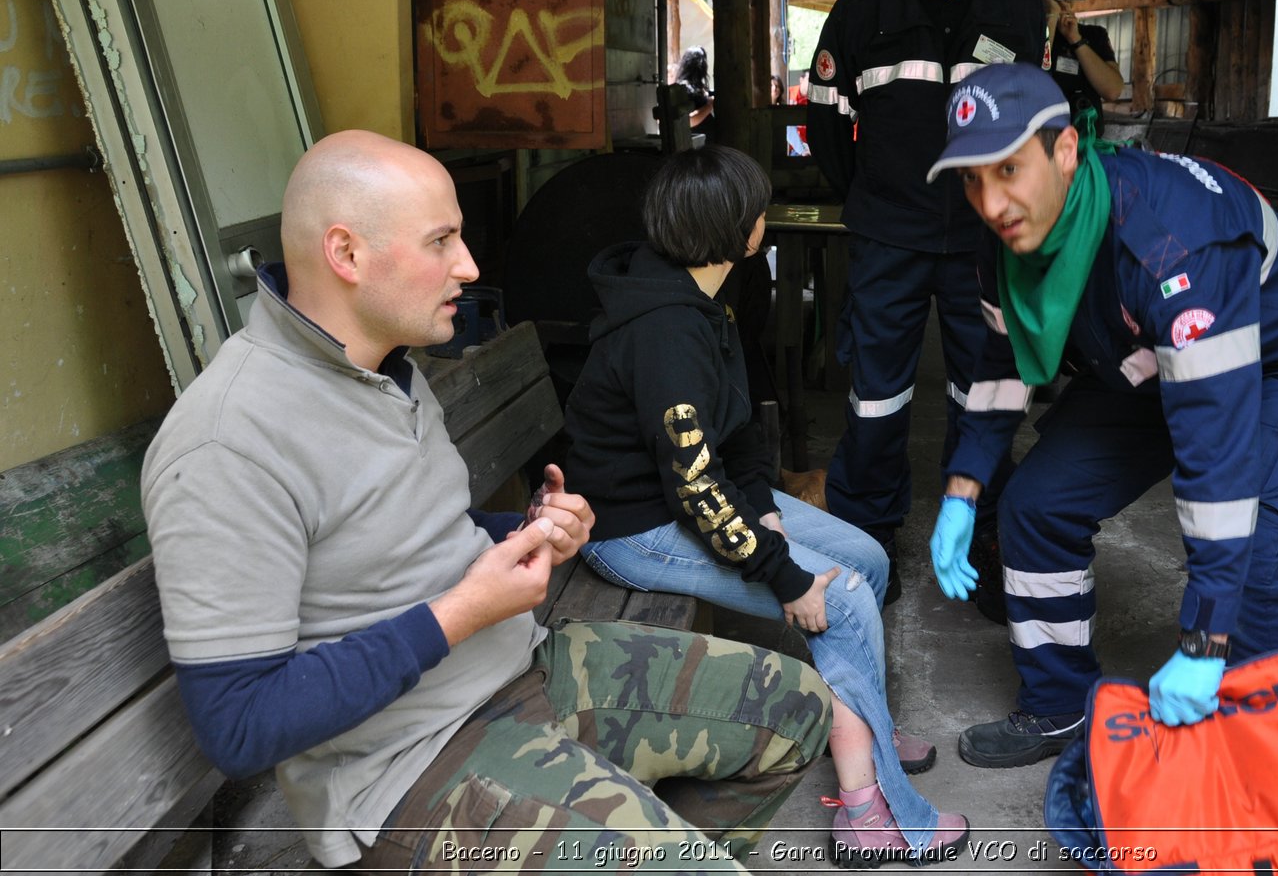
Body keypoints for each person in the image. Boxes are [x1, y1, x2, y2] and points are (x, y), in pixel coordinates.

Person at [141, 131, 831, 871]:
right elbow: (238, 724)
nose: (469, 267)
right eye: (441, 241)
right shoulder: (230, 442)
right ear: (346, 254)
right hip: (406, 770)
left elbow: (413, 537)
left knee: (796, 707)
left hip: (519, 668)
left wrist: (529, 528)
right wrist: (463, 609)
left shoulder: (385, 368)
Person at [924, 63, 1278, 768]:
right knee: (1033, 508)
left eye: (1009, 169)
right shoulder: (1003, 241)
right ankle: (1061, 704)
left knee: (1241, 554)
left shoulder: (1173, 247)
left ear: (1065, 151)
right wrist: (964, 488)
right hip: (1144, 356)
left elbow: (1215, 459)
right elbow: (1002, 363)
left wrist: (1204, 644)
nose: (992, 201)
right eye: (973, 179)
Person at [565, 145, 969, 867]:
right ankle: (866, 811)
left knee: (867, 557)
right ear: (740, 229)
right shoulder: (665, 331)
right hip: (634, 525)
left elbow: (737, 431)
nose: (766, 216)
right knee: (838, 600)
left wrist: (769, 514)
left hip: (692, 497)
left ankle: (865, 718)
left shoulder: (702, 296)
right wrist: (783, 573)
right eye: (759, 207)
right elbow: (693, 485)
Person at [805, 0, 1046, 602]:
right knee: (878, 395)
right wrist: (879, 198)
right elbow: (824, 126)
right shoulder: (861, 12)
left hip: (983, 240)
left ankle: (982, 540)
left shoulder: (1018, 7)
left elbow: (1033, 124)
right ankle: (869, 538)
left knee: (989, 394)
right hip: (890, 237)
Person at [1036, 0, 1124, 124]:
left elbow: (1113, 91)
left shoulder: (1094, 34)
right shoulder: (1031, 31)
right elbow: (1034, 74)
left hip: (1085, 135)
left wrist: (1076, 39)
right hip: (1045, 135)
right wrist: (1051, 16)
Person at [674, 44, 715, 132]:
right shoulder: (684, 89)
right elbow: (688, 120)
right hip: (697, 143)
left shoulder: (691, 87)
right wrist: (709, 105)